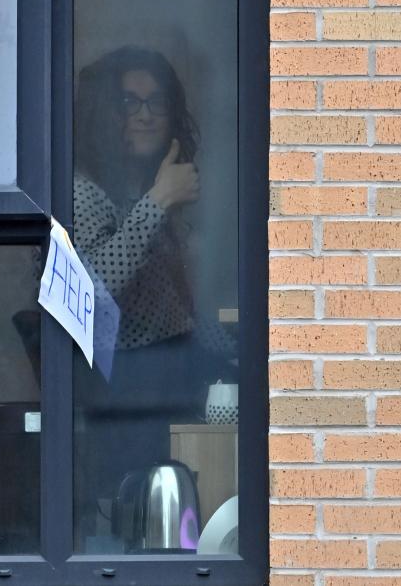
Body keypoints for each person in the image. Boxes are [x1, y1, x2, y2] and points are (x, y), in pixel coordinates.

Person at [72, 46, 235, 548]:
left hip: (180, 383)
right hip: (124, 402)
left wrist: (232, 357)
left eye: (155, 103)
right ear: (105, 112)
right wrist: (159, 200)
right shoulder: (83, 190)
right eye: (129, 102)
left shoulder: (146, 190)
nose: (144, 115)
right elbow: (94, 291)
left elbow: (179, 305)